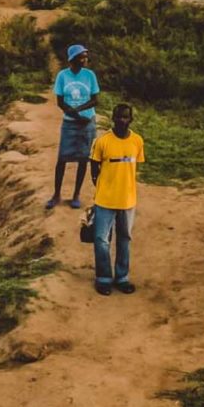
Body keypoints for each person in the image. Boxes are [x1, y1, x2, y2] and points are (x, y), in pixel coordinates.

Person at [88, 103, 145, 297]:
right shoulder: (102, 141)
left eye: (126, 117)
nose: (122, 120)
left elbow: (134, 168)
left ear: (131, 119)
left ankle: (122, 278)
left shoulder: (137, 141)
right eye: (119, 116)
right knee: (101, 240)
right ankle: (103, 278)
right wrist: (103, 187)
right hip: (105, 200)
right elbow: (94, 167)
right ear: (113, 118)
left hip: (127, 200)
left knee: (124, 239)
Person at [48, 44, 99, 210]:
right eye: (81, 57)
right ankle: (56, 194)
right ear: (73, 59)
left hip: (87, 122)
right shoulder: (63, 76)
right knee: (62, 159)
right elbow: (60, 102)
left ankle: (76, 195)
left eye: (85, 56)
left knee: (83, 159)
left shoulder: (90, 75)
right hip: (70, 123)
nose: (85, 60)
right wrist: (76, 116)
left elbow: (95, 100)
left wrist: (79, 110)